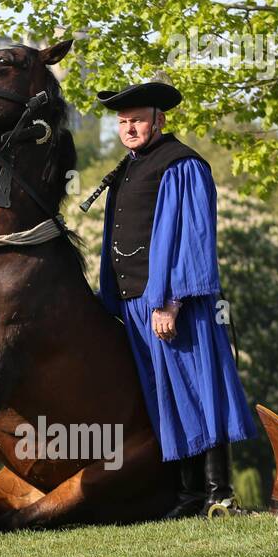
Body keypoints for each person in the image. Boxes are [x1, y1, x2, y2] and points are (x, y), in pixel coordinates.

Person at [91, 81, 256, 518]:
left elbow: (193, 238)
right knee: (166, 398)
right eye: (123, 122)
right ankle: (187, 497)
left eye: (137, 120)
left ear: (159, 120)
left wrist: (171, 302)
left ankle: (218, 495)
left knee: (200, 391)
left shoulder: (182, 165)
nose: (129, 128)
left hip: (171, 303)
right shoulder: (125, 168)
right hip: (134, 303)